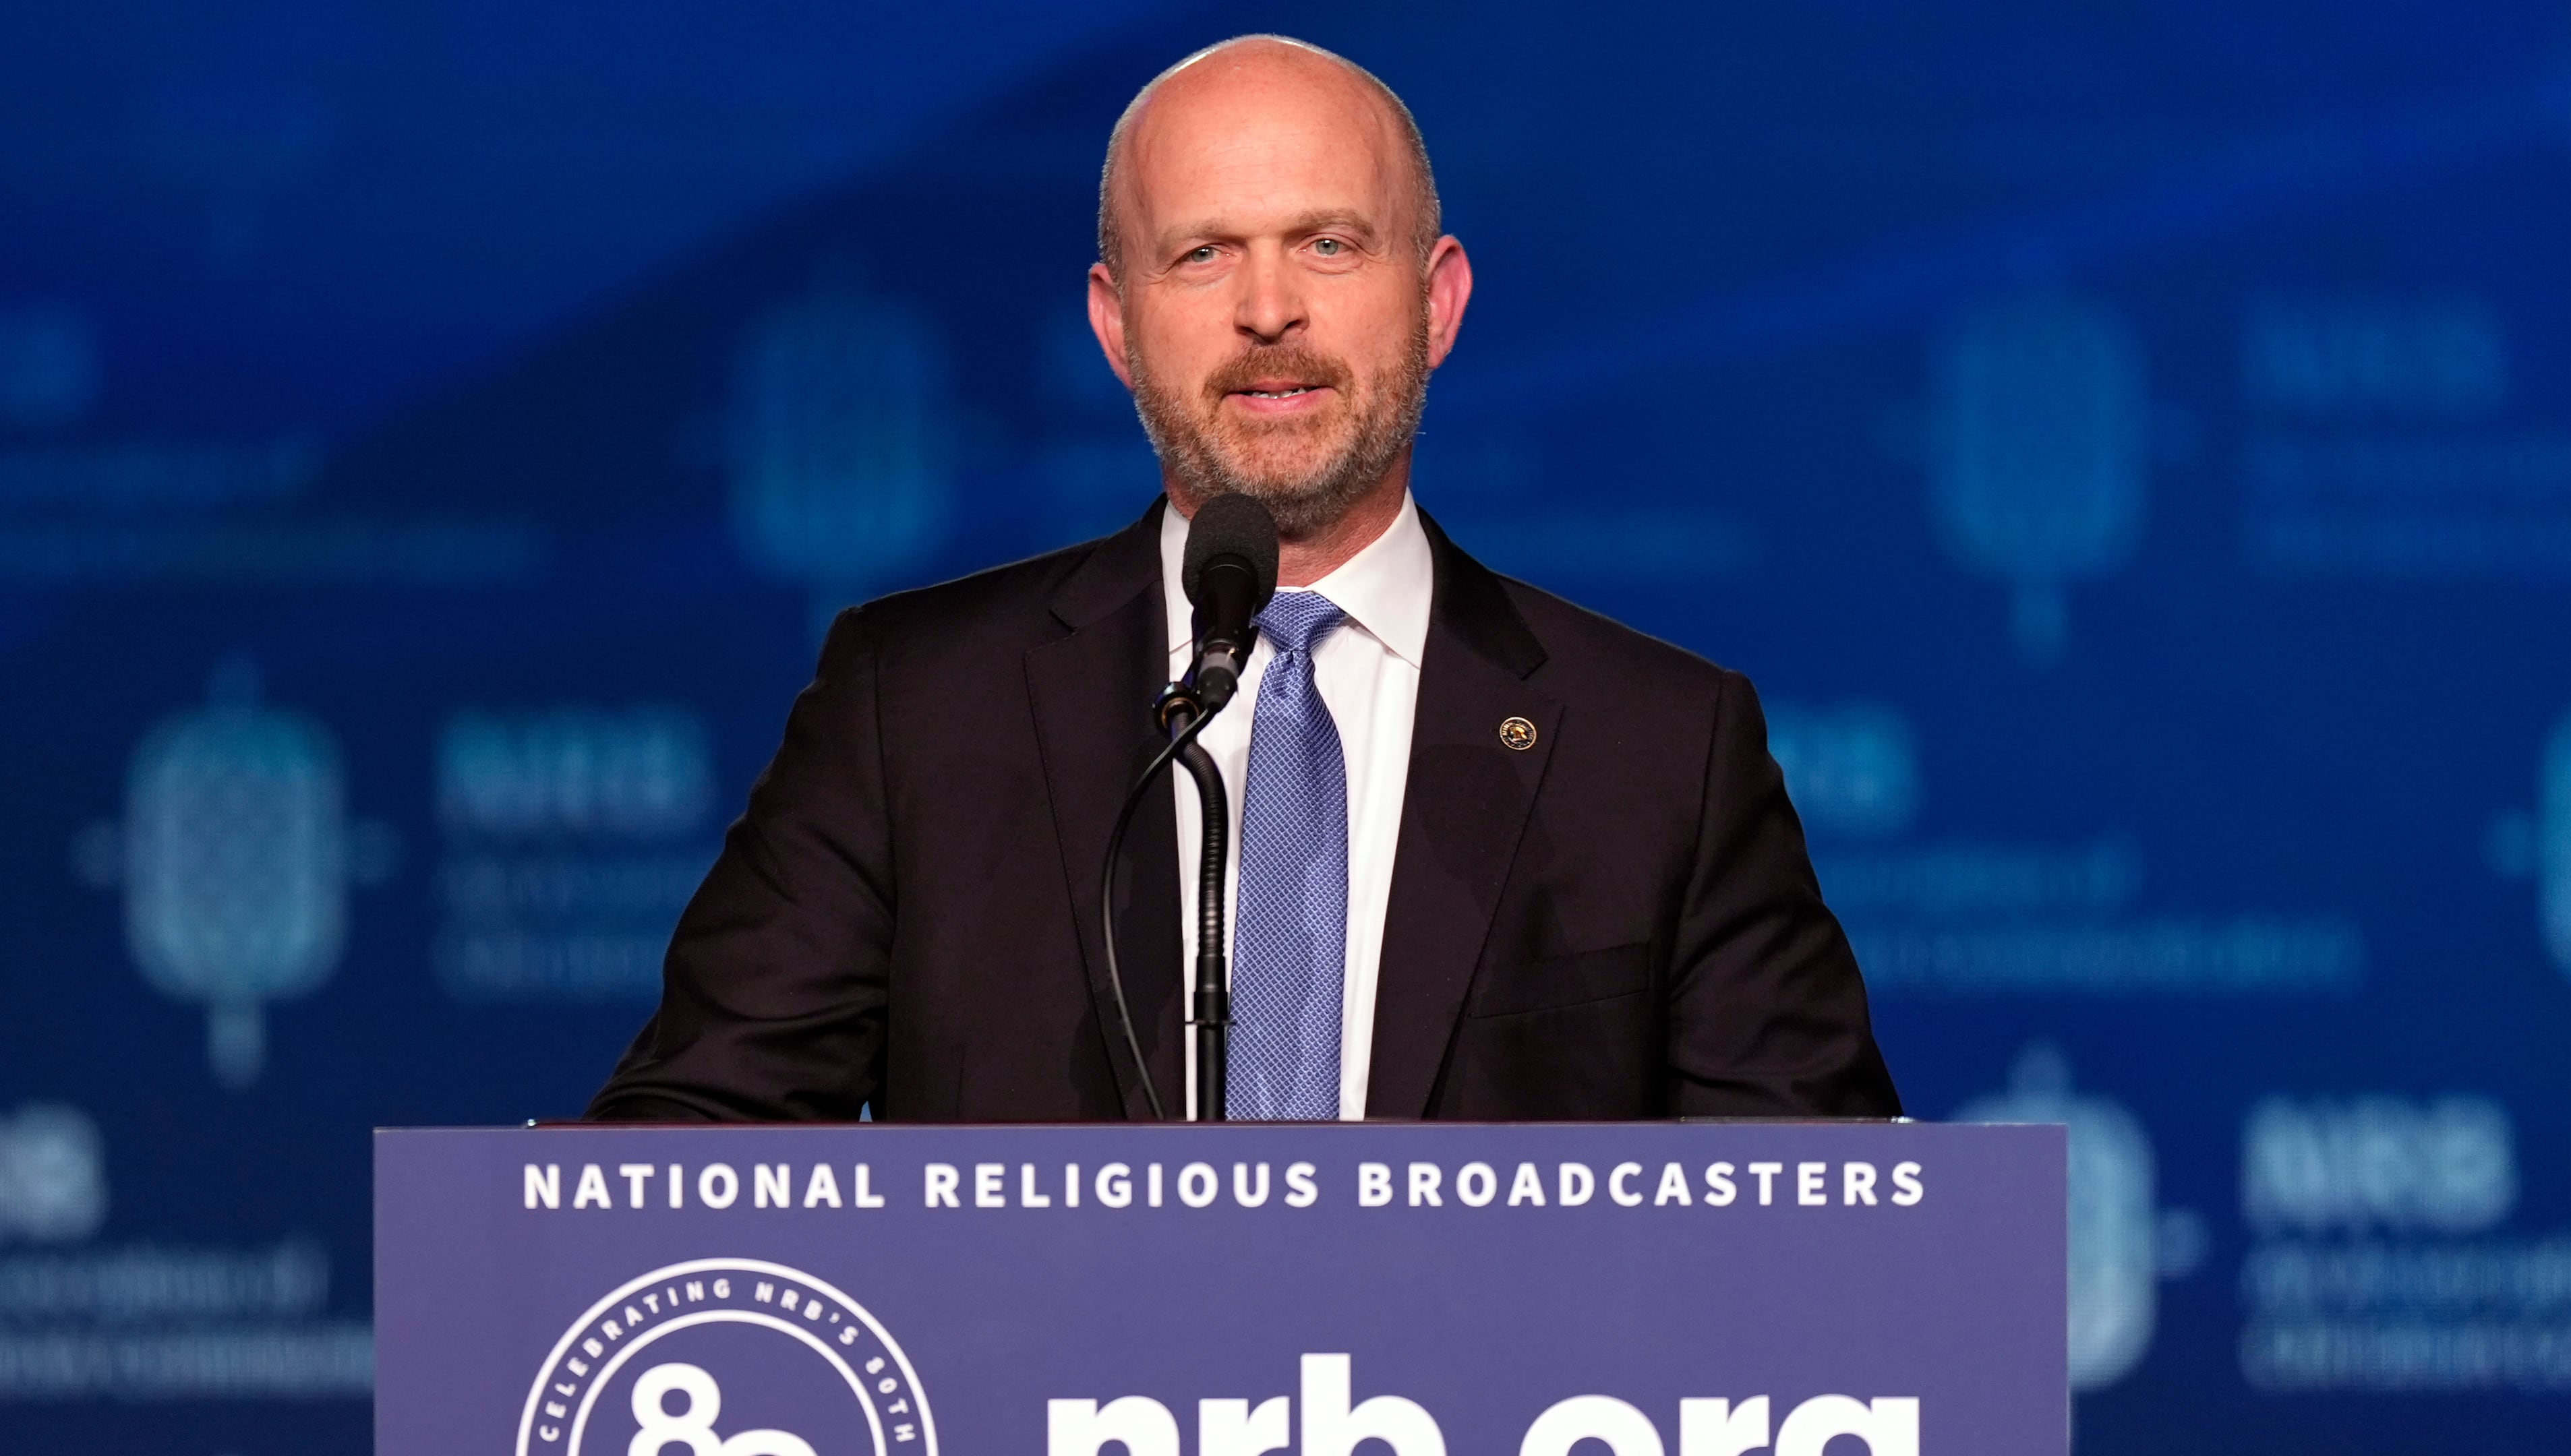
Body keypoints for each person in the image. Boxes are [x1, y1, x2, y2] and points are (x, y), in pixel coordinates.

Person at [586, 35, 1898, 1122]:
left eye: (1328, 244)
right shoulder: (912, 708)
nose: (1268, 309)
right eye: (1203, 254)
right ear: (1116, 325)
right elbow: (686, 1147)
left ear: (1437, 303)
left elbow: (1827, 1228)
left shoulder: (1661, 749)